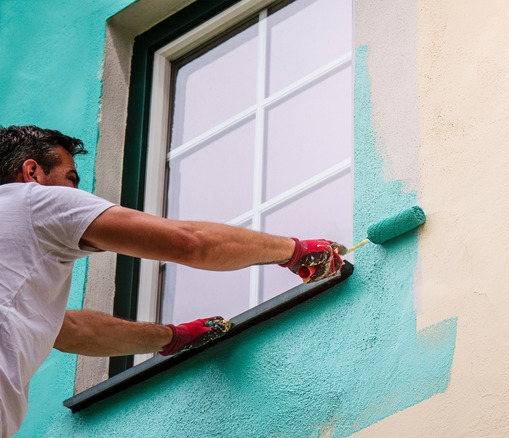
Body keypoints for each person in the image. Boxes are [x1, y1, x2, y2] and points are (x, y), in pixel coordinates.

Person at [0, 125, 346, 436]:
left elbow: (71, 331)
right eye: (71, 178)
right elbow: (188, 242)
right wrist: (295, 251)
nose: (76, 191)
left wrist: (174, 337)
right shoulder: (33, 200)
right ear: (33, 172)